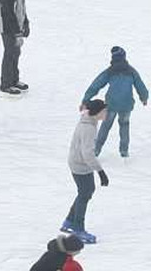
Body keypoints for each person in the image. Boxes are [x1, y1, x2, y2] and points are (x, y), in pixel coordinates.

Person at [82, 46, 150, 158]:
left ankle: (96, 150)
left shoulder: (110, 71)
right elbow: (140, 85)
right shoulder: (131, 71)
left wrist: (86, 99)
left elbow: (96, 84)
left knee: (106, 126)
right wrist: (144, 98)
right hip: (126, 105)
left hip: (111, 104)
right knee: (124, 125)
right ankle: (124, 152)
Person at [61, 99, 109, 245]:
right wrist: (101, 171)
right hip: (80, 165)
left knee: (85, 192)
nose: (106, 113)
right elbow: (87, 154)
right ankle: (78, 228)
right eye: (104, 111)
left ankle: (69, 221)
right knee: (85, 193)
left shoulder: (89, 121)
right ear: (97, 113)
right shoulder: (88, 128)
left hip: (78, 162)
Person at [0, 0, 31, 96]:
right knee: (9, 54)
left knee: (16, 54)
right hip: (8, 29)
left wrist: (26, 23)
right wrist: (16, 32)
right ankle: (5, 84)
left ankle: (14, 80)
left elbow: (22, 9)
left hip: (17, 27)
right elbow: (8, 14)